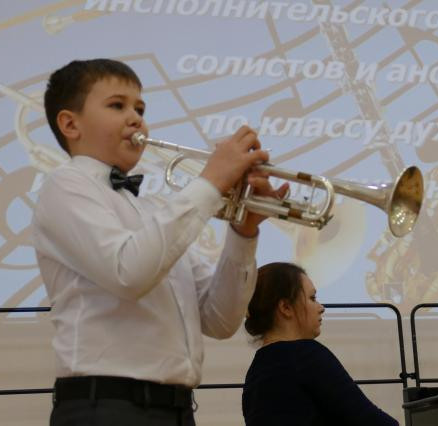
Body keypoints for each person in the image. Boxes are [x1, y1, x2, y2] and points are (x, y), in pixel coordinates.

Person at [31, 58, 288, 426]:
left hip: (175, 410)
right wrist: (211, 182)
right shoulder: (65, 186)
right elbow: (129, 273)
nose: (136, 119)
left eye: (140, 109)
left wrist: (243, 232)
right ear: (71, 124)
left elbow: (220, 320)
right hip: (106, 408)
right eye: (117, 105)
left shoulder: (153, 211)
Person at [242, 262, 399, 426]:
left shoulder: (255, 372)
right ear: (286, 307)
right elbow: (370, 420)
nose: (321, 307)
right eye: (312, 298)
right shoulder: (305, 355)